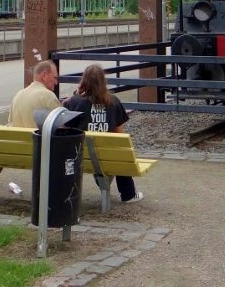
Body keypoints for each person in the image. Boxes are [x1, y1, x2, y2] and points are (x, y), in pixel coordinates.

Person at [62, 64, 143, 203]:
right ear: (103, 82)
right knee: (121, 151)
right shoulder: (114, 101)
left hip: (79, 157)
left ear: (83, 81)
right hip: (107, 159)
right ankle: (128, 194)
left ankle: (67, 193)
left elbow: (65, 129)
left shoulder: (74, 102)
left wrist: (76, 95)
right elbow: (119, 136)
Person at [7, 60, 61, 128]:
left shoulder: (18, 95)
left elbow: (10, 123)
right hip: (37, 135)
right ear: (44, 75)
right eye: (55, 78)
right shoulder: (48, 96)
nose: (56, 82)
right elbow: (59, 126)